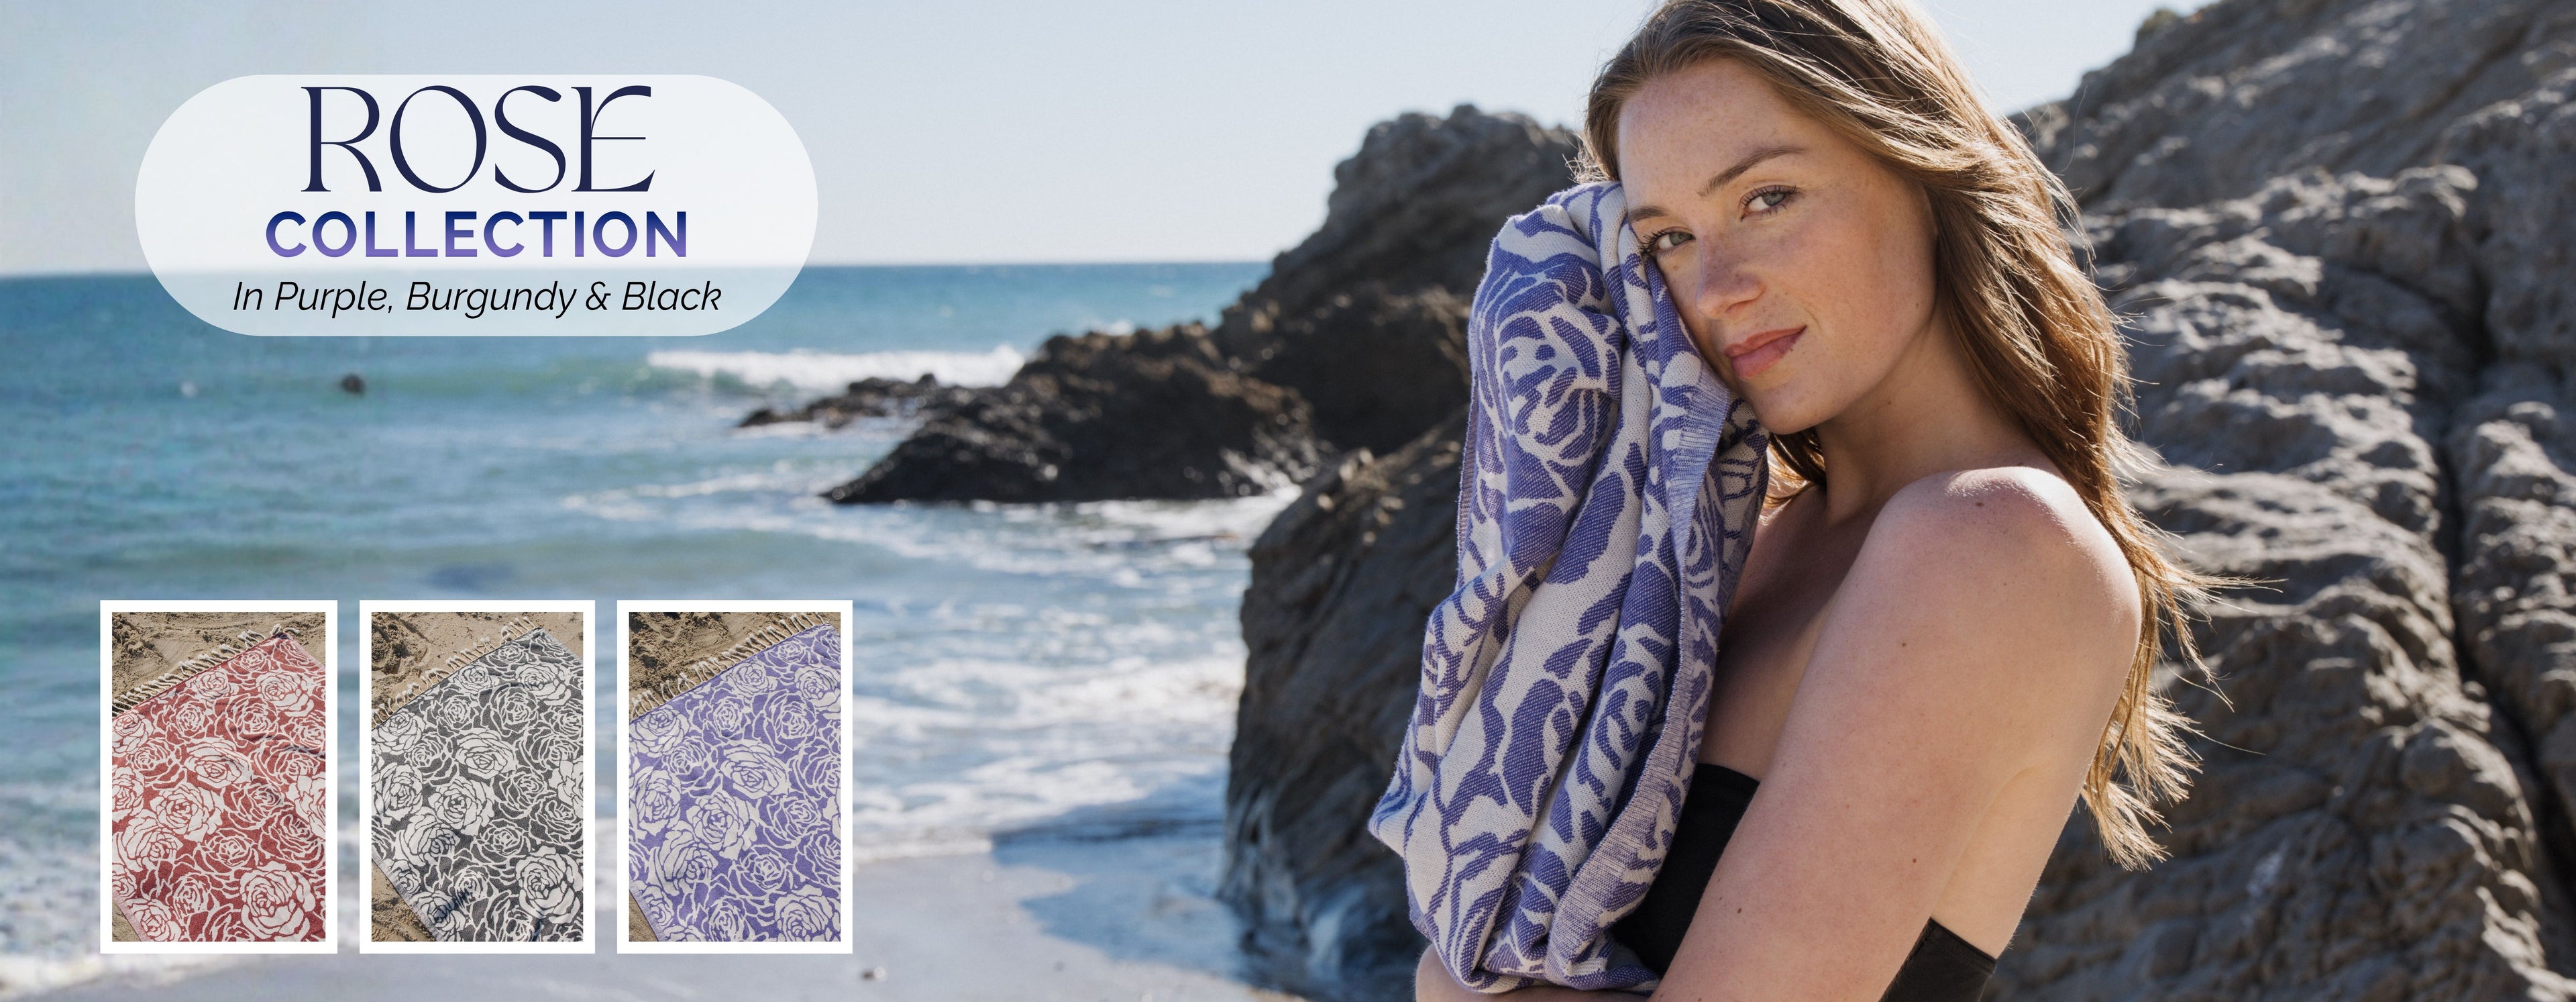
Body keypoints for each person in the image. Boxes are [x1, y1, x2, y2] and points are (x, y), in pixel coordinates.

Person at [1412, 1, 2226, 998]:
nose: (1715, 286)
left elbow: (1461, 966)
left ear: (1919, 172)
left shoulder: (1993, 542)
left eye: (1766, 198)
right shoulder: (1737, 541)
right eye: (1666, 236)